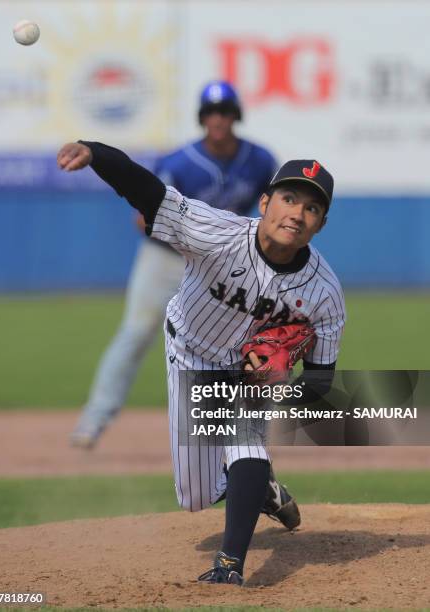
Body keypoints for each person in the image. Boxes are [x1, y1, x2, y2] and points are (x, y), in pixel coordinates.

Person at [57, 139, 345, 585]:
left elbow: (321, 381)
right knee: (195, 495)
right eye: (289, 198)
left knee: (245, 442)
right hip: (188, 352)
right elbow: (148, 192)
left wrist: (278, 389)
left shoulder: (324, 294)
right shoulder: (216, 232)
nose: (296, 213)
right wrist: (96, 153)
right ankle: (260, 487)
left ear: (321, 224)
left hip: (243, 373)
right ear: (265, 202)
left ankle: (230, 566)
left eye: (311, 208)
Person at [70, 80, 278, 450]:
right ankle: (94, 419)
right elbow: (143, 216)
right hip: (166, 259)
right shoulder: (181, 162)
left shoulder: (261, 160)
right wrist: (188, 233)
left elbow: (273, 209)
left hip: (223, 265)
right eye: (212, 112)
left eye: (225, 111)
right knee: (136, 332)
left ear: (236, 116)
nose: (219, 118)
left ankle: (237, 431)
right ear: (202, 117)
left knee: (237, 344)